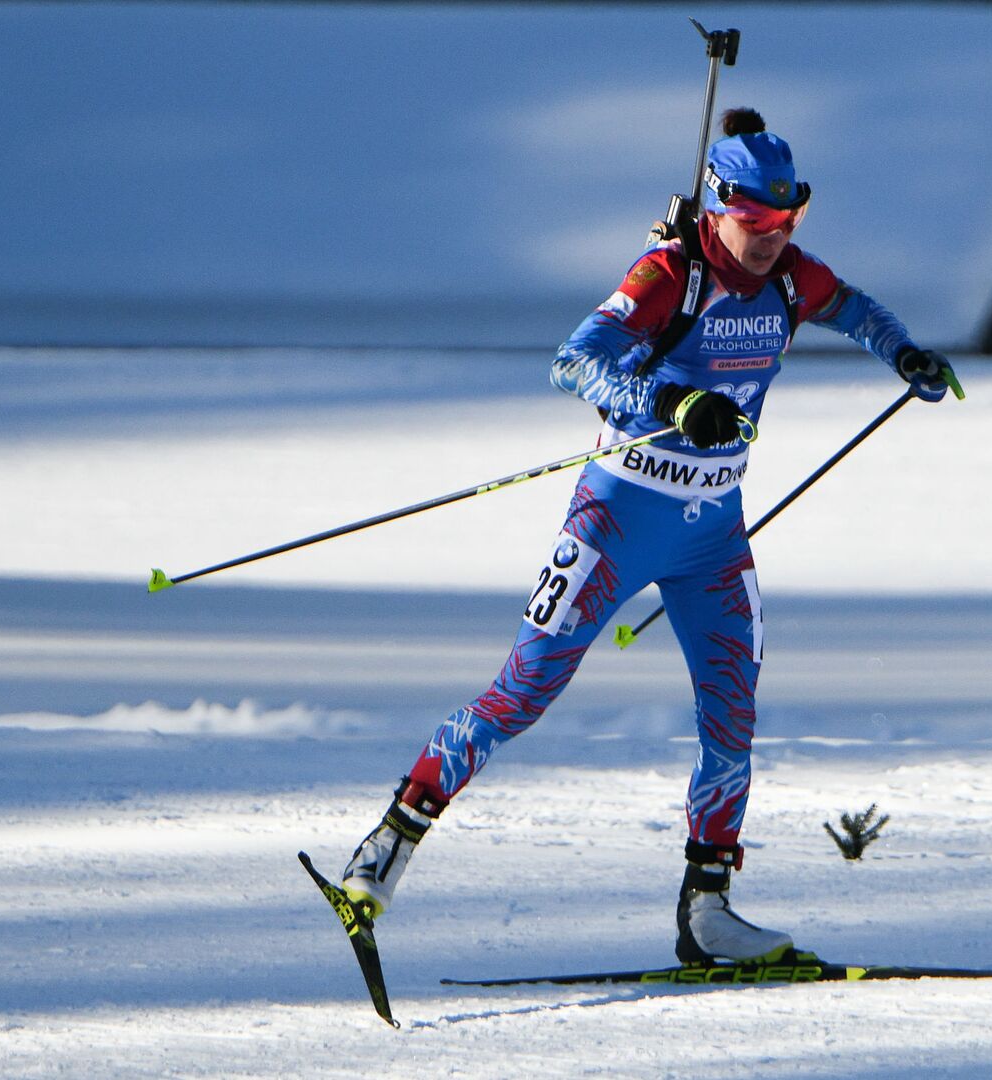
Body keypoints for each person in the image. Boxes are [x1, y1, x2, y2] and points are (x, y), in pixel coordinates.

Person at [339, 108, 957, 964]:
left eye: (789, 222)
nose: (773, 239)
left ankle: (707, 911)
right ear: (719, 206)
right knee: (522, 693)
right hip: (619, 519)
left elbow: (849, 306)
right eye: (756, 222)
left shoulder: (788, 281)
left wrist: (904, 354)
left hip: (712, 538)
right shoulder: (672, 273)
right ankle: (382, 853)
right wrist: (671, 403)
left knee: (732, 715)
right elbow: (574, 360)